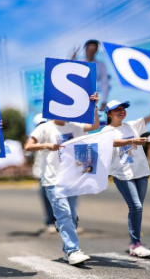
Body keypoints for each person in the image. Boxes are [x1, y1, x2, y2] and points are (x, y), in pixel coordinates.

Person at [24, 92, 100, 265]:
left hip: (72, 178)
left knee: (72, 216)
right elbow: (28, 146)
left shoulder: (74, 125)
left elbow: (95, 125)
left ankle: (67, 250)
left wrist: (94, 106)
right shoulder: (44, 128)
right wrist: (47, 145)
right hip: (53, 179)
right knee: (64, 214)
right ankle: (73, 251)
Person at [102, 97, 150, 258]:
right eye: (117, 109)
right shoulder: (105, 131)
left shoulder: (132, 125)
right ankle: (136, 244)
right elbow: (113, 142)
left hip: (141, 172)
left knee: (137, 208)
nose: (121, 111)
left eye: (123, 108)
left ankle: (134, 243)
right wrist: (133, 140)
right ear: (108, 114)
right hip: (122, 174)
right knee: (136, 206)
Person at [30, 114, 57, 234]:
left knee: (62, 199)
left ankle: (67, 222)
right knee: (47, 200)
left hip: (57, 173)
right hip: (42, 174)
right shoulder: (35, 139)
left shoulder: (55, 136)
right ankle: (50, 222)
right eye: (40, 125)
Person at [72, 39, 110, 106]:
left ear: (96, 51)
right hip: (76, 96)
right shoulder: (78, 63)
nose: (91, 52)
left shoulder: (101, 65)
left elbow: (105, 84)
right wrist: (72, 58)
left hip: (91, 98)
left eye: (93, 50)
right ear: (85, 49)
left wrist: (104, 101)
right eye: (89, 49)